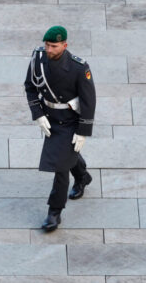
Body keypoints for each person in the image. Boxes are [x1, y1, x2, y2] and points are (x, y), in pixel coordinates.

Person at [24, 25, 96, 232]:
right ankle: (82, 177)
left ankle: (54, 212)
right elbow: (30, 86)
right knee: (66, 153)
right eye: (47, 45)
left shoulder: (79, 68)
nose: (48, 49)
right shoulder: (37, 58)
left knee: (60, 166)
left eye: (54, 46)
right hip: (50, 116)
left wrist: (83, 131)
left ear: (65, 45)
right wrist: (38, 114)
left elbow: (89, 101)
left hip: (70, 119)